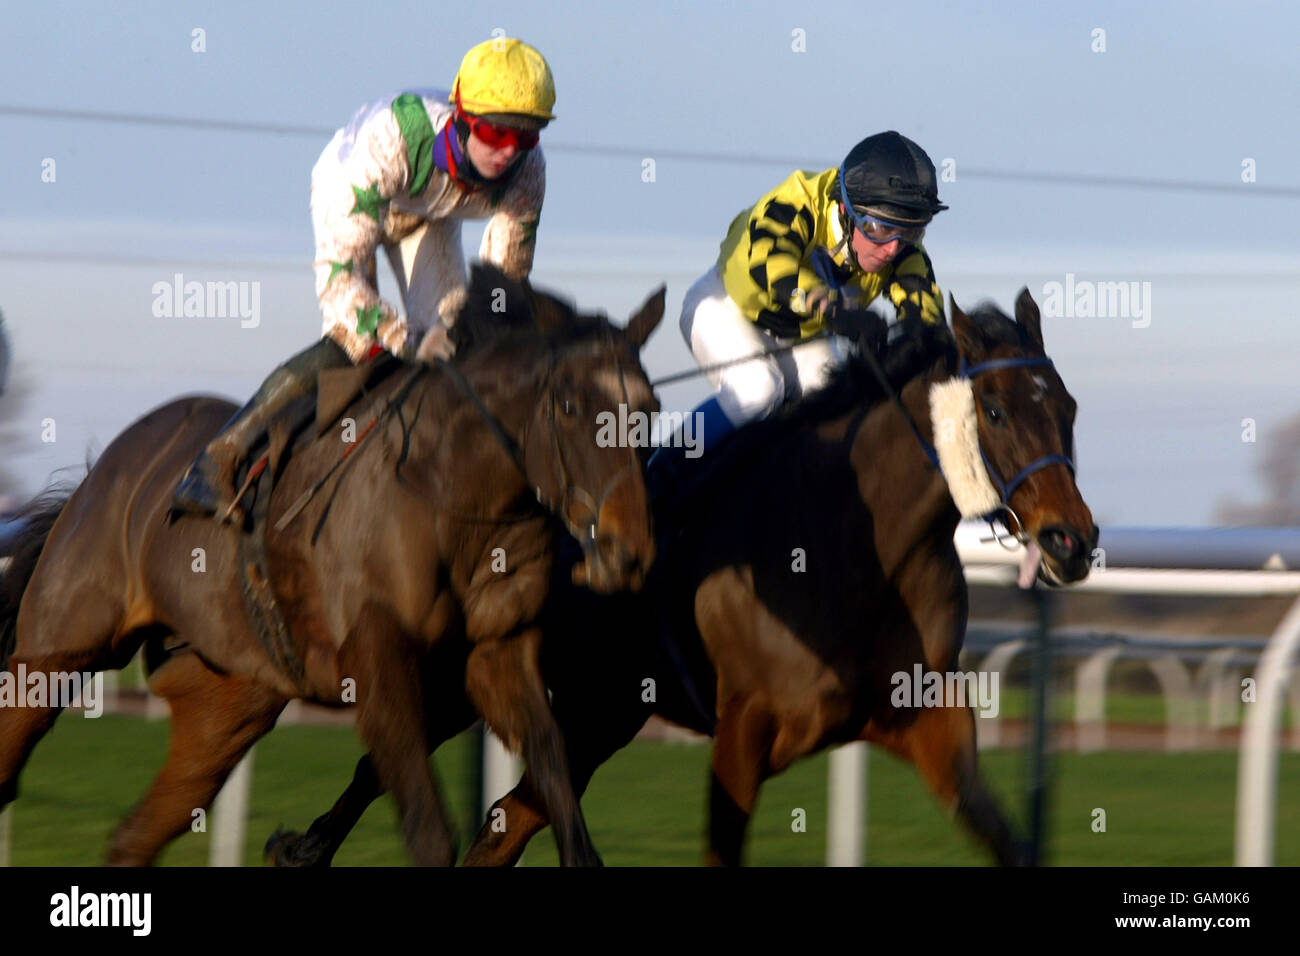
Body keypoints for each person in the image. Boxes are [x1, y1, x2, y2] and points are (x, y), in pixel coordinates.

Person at [171, 37, 556, 521]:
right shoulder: (389, 139)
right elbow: (342, 281)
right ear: (461, 115)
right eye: (495, 134)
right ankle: (216, 460)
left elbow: (502, 288)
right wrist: (407, 338)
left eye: (525, 138)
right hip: (353, 196)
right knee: (356, 337)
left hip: (428, 219)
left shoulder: (529, 174)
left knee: (463, 341)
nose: (508, 153)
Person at [647, 130, 949, 493]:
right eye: (879, 228)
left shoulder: (902, 251)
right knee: (759, 390)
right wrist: (834, 309)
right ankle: (660, 471)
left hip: (800, 334)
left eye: (911, 232)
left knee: (841, 404)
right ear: (845, 209)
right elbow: (769, 263)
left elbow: (926, 320)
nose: (891, 249)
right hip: (724, 307)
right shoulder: (797, 201)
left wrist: (905, 345)